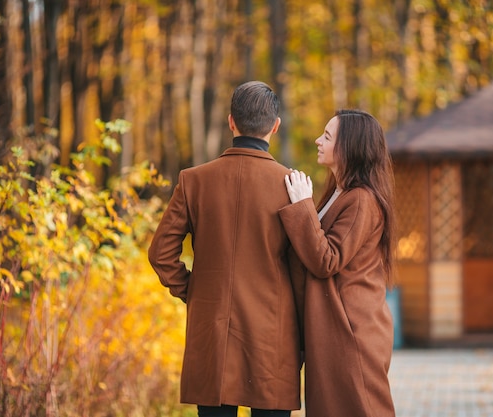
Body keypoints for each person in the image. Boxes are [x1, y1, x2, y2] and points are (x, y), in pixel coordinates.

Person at [148, 81, 302, 417]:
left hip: (212, 332)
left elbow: (160, 253)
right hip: (271, 337)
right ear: (275, 126)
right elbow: (306, 263)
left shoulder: (194, 180)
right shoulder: (292, 185)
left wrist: (193, 291)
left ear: (231, 122)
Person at [279, 109, 396, 417]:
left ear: (350, 147)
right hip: (334, 327)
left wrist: (303, 206)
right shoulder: (339, 192)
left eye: (327, 136)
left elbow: (326, 260)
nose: (318, 140)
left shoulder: (361, 200)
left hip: (351, 331)